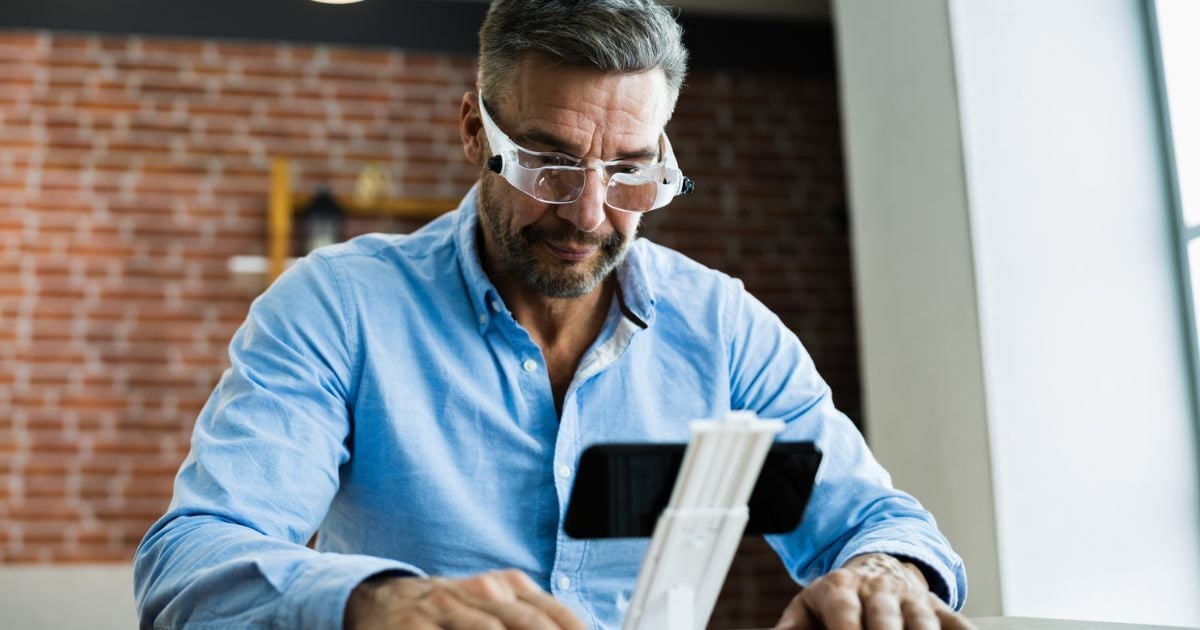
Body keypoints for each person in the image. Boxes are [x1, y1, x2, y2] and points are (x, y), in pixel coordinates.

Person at [134, 1, 972, 628]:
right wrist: (382, 605)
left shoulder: (722, 333)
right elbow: (192, 562)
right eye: (550, 165)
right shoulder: (338, 311)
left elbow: (877, 521)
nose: (589, 214)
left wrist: (886, 572)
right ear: (474, 130)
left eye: (632, 173)